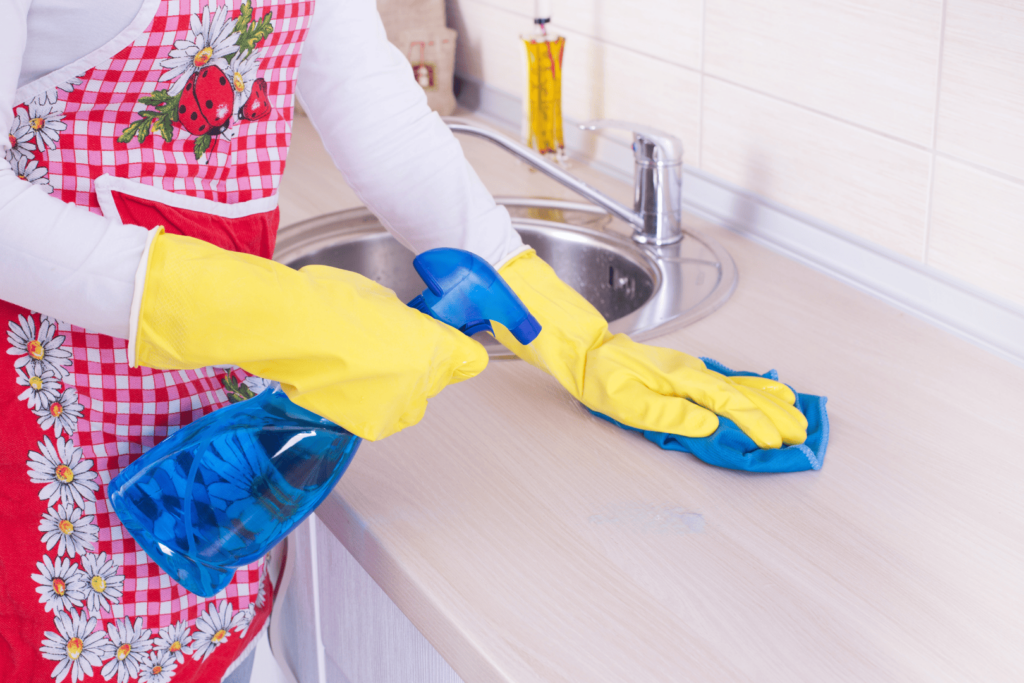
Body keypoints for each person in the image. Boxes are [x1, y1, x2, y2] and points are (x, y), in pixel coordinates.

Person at [0, 1, 807, 681]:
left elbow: (369, 101)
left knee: (214, 639)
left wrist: (556, 322)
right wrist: (279, 315)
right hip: (46, 421)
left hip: (209, 414)